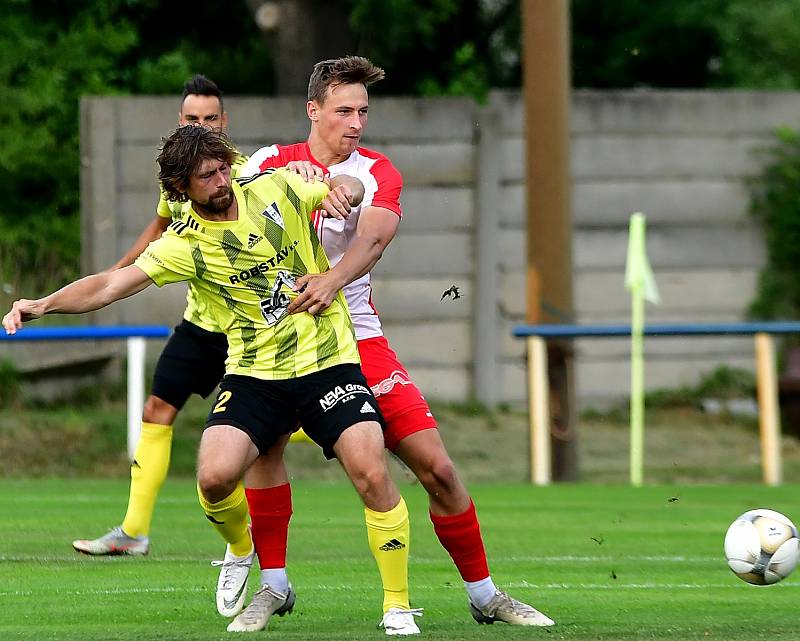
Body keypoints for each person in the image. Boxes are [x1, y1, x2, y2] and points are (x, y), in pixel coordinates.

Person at [3, 126, 418, 635]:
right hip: (254, 372)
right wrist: (43, 303)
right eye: (208, 175)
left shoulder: (274, 187)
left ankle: (397, 605)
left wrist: (340, 188)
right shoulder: (183, 245)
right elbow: (110, 284)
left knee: (371, 472)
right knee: (214, 477)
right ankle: (241, 549)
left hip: (327, 359)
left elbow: (350, 190)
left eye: (223, 167)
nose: (223, 179)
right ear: (181, 188)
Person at [225, 55, 554, 632]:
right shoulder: (269, 162)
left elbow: (374, 236)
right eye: (344, 110)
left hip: (359, 340)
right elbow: (238, 208)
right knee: (264, 453)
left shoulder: (375, 170)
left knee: (439, 470)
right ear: (314, 110)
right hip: (281, 339)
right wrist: (299, 188)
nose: (355, 122)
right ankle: (273, 586)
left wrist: (332, 270)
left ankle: (485, 595)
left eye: (363, 111)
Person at [72, 74, 247, 557]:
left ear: (224, 123)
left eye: (210, 119)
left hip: (251, 329)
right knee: (156, 411)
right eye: (193, 118)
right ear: (180, 120)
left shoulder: (245, 176)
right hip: (200, 324)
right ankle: (134, 532)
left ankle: (327, 425)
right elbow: (160, 227)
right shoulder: (178, 179)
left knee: (260, 428)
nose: (202, 125)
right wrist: (116, 272)